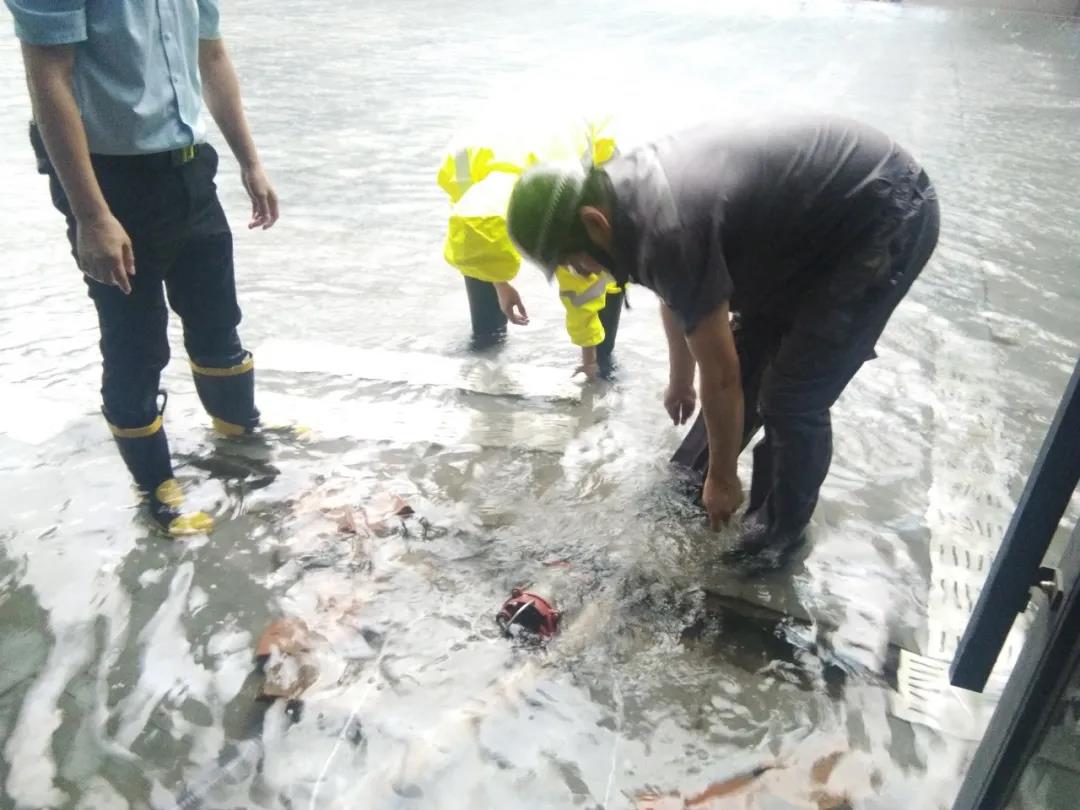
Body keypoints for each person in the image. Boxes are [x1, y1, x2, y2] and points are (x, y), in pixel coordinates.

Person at [505, 114, 939, 564]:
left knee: (793, 396)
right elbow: (676, 296)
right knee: (750, 351)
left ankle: (778, 536)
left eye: (574, 261)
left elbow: (721, 375)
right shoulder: (624, 200)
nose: (581, 273)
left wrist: (726, 476)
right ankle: (693, 480)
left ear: (593, 222)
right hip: (808, 229)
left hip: (883, 217)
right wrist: (679, 380)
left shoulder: (666, 226)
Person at [7, 0, 279, 536]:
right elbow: (49, 81)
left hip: (187, 167)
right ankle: (156, 486)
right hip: (108, 181)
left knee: (217, 317)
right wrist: (91, 215)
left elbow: (213, 54)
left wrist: (250, 161)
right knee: (136, 343)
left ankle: (238, 432)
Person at [438, 115, 626, 378]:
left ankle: (603, 359)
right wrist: (500, 284)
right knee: (480, 260)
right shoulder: (462, 170)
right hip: (498, 142)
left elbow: (582, 280)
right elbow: (476, 244)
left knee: (605, 260)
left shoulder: (558, 188)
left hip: (589, 152)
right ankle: (487, 352)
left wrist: (589, 359)